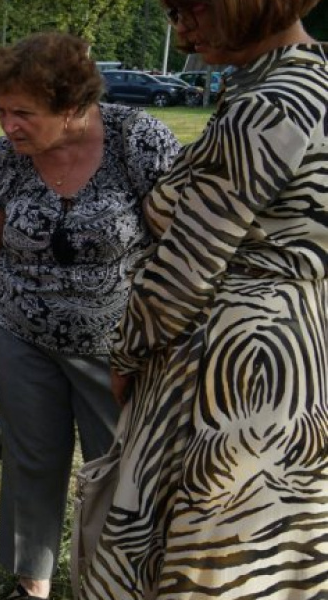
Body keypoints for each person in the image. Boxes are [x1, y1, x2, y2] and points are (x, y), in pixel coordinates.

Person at [81, 1, 328, 597]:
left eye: (192, 6)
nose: (180, 25)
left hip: (229, 365)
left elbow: (188, 267)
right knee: (270, 552)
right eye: (171, 9)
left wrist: (126, 353)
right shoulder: (306, 77)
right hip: (296, 346)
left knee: (208, 554)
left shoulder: (270, 103)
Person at [0, 32, 181, 599]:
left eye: (23, 113)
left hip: (119, 350)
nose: (8, 125)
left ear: (74, 107)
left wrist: (158, 343)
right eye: (2, 110)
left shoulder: (139, 141)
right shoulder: (9, 156)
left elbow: (179, 251)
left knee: (116, 470)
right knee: (31, 460)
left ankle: (109, 580)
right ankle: (31, 581)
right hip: (21, 332)